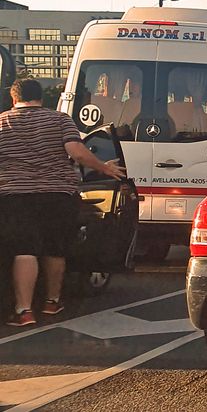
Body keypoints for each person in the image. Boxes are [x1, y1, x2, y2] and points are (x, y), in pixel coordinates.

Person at [0, 79, 126, 327]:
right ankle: (52, 301)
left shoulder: (2, 121)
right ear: (41, 99)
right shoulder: (59, 120)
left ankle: (24, 310)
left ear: (14, 99)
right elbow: (76, 151)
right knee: (55, 248)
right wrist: (104, 168)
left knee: (24, 249)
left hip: (15, 195)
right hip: (58, 194)